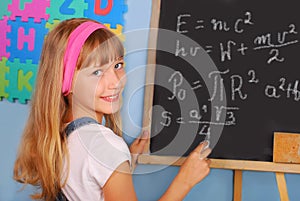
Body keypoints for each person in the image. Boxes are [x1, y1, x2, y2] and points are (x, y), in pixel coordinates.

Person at [13, 18, 211, 201]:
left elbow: (87, 185)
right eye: (97, 72)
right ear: (67, 83)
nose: (115, 82)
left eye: (118, 65)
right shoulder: (105, 145)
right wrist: (185, 181)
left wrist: (125, 162)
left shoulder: (60, 136)